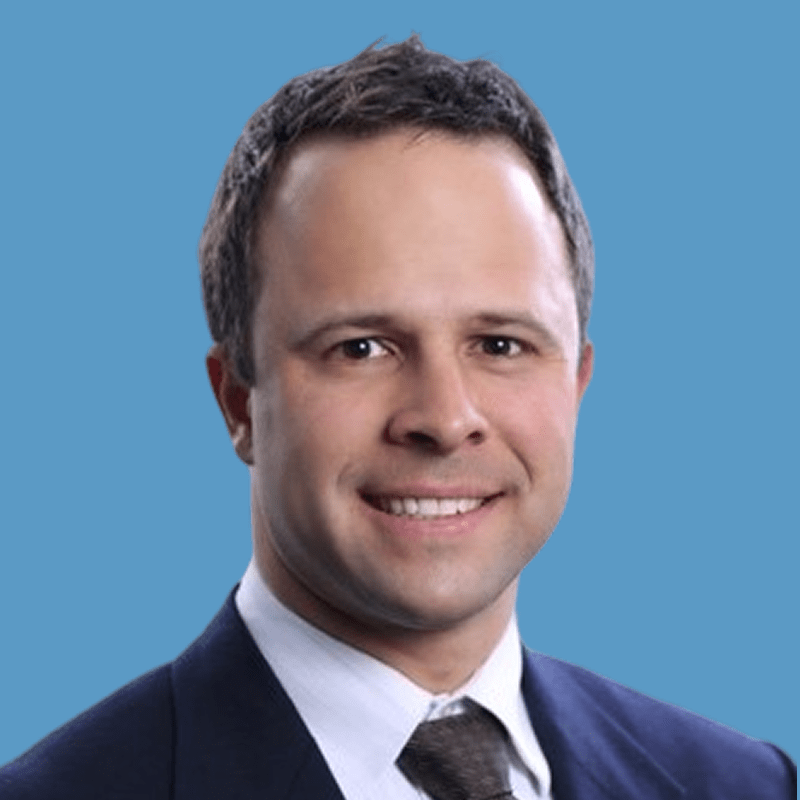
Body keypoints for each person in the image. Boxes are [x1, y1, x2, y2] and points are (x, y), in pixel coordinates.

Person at [0, 35, 794, 800]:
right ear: (238, 400)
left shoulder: (745, 785)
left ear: (577, 381)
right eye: (363, 348)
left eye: (500, 343)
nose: (445, 419)